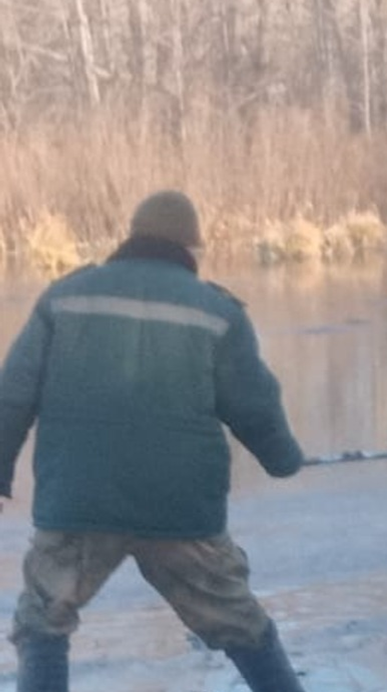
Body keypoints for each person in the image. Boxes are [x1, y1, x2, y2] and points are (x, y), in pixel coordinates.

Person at [0, 190, 307, 692]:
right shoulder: (217, 311)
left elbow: (12, 394)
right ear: (190, 246)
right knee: (239, 622)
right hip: (180, 509)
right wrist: (284, 460)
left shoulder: (65, 296)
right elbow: (254, 404)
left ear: (132, 236)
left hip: (80, 502)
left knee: (42, 622)